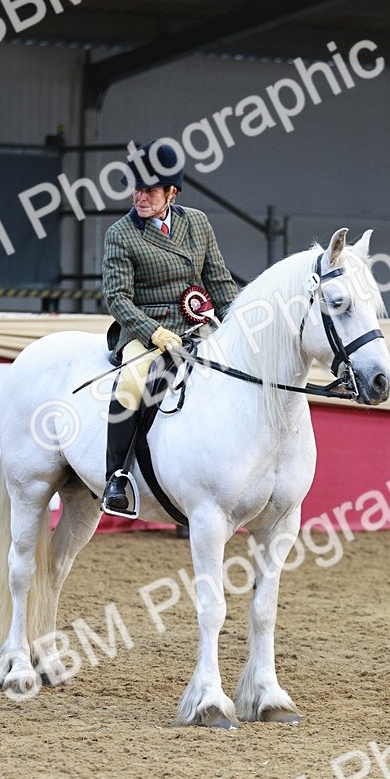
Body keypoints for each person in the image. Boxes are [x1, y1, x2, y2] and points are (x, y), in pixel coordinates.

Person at [100, 138, 238, 517]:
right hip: (146, 330)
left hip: (196, 326)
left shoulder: (197, 224)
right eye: (136, 188)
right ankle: (117, 476)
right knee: (130, 382)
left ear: (171, 192)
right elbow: (116, 297)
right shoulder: (121, 234)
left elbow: (221, 282)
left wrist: (242, 325)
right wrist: (151, 332)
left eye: (149, 190)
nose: (139, 196)